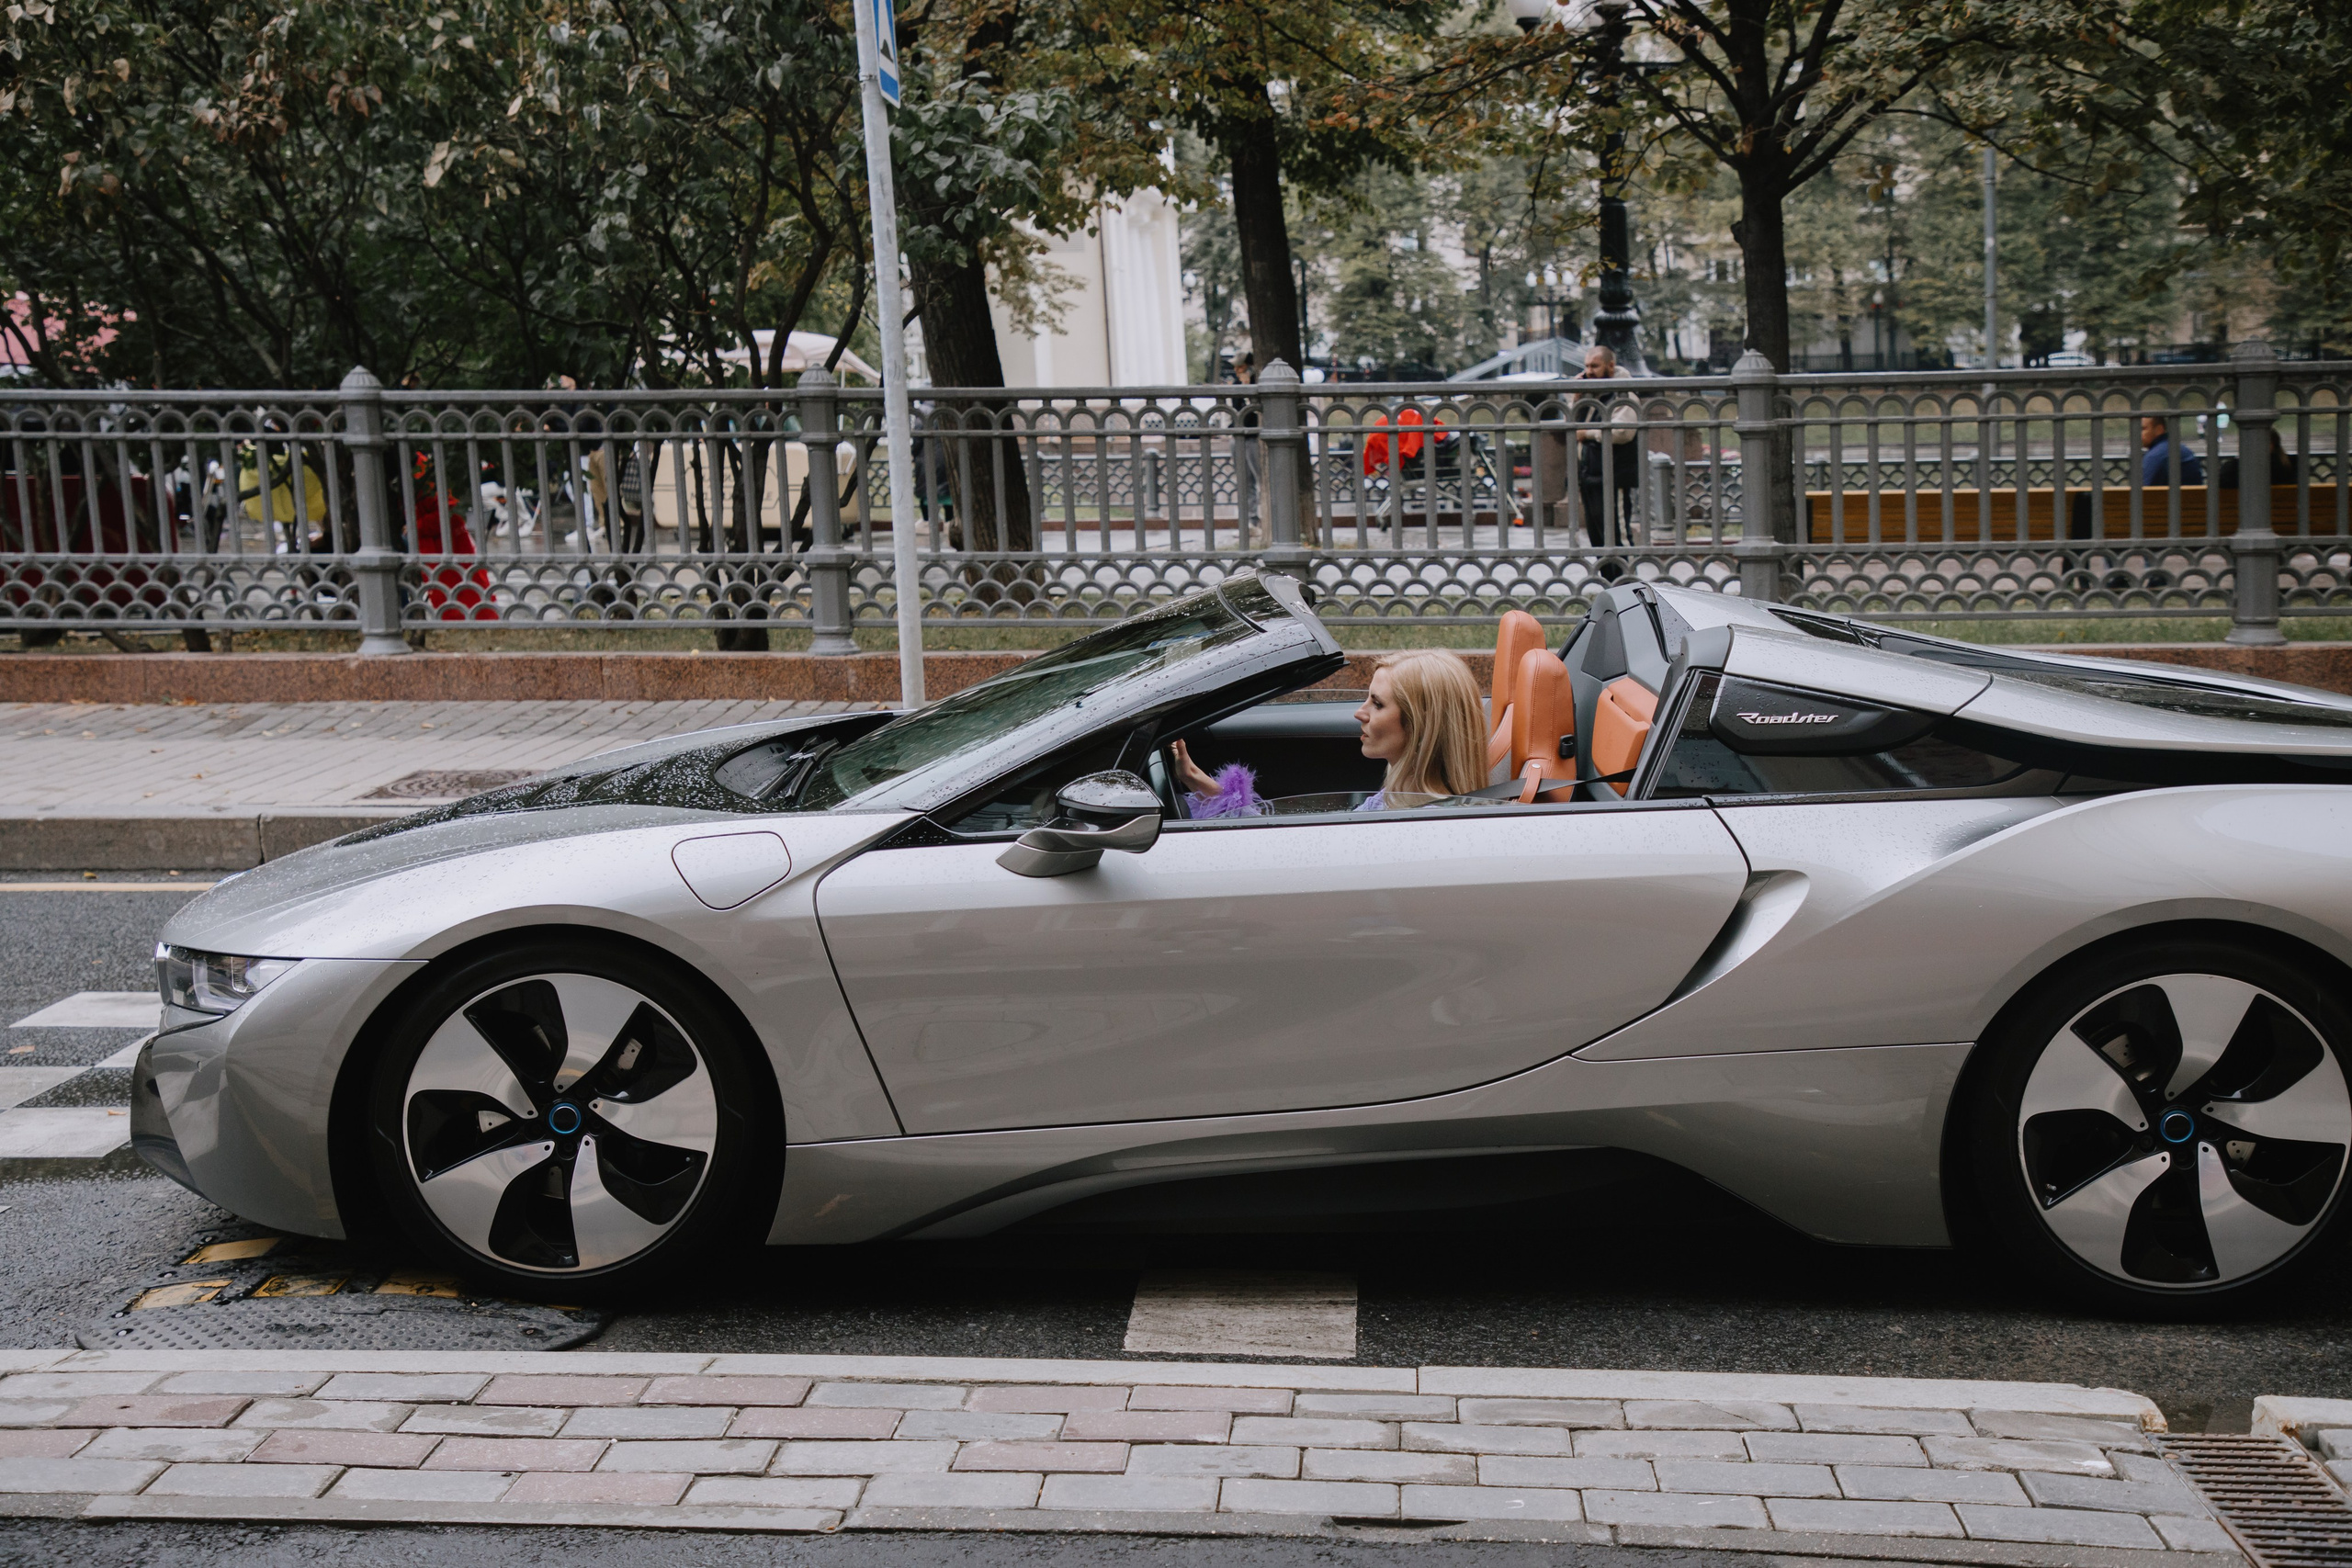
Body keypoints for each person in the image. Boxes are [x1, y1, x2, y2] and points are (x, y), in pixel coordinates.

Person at [1170, 649, 1489, 816]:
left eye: (1377, 704)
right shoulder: (1395, 801)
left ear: (1421, 727)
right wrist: (1202, 784)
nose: (1359, 712)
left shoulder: (1421, 823)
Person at [1573, 345, 1641, 547]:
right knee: (1598, 540)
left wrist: (1588, 433)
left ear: (1610, 366)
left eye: (1595, 366)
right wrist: (1577, 398)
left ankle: (1625, 570)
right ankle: (1607, 570)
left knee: (1617, 538)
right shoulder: (1592, 393)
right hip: (1590, 475)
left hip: (1612, 475)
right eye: (1586, 366)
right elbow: (1573, 425)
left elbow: (1623, 431)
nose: (1589, 371)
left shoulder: (1623, 394)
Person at [2140, 414, 2205, 486]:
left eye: (2143, 429)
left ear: (2159, 429)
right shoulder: (2175, 448)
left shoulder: (2156, 455)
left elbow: (2143, 489)